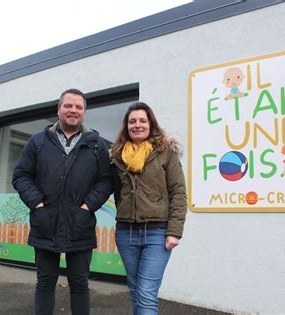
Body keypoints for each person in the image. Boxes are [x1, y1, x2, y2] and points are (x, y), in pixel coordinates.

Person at [12, 88, 112, 315]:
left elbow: (106, 181)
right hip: (45, 223)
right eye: (68, 106)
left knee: (79, 284)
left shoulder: (96, 144)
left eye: (79, 107)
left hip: (80, 224)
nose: (73, 110)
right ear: (59, 109)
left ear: (84, 112)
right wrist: (38, 204)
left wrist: (87, 207)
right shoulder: (38, 141)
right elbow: (20, 176)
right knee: (45, 283)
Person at [111, 102, 187, 315]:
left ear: (151, 124)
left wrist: (174, 231)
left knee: (145, 293)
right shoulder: (117, 156)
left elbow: (178, 192)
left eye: (142, 120)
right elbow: (117, 194)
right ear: (126, 126)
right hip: (126, 232)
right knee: (137, 291)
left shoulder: (165, 153)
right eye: (132, 121)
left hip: (157, 233)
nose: (137, 125)